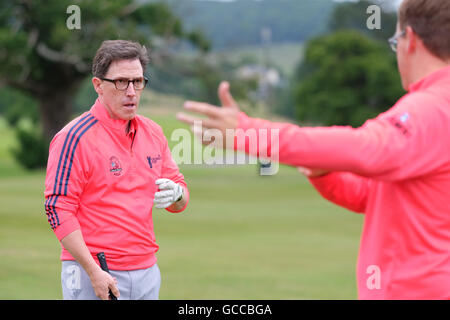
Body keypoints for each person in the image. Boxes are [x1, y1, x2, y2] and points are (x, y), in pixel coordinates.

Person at [177, 0, 450, 299]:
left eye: (394, 40)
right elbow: (375, 196)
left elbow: (368, 148)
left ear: (410, 40)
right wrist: (325, 175)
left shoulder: (432, 107)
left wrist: (247, 131)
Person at [44, 40, 189, 300]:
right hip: (93, 271)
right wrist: (93, 270)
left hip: (146, 269)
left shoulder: (153, 132)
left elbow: (179, 199)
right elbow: (58, 208)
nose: (131, 91)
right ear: (98, 85)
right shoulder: (73, 137)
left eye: (138, 81)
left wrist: (178, 195)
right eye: (121, 82)